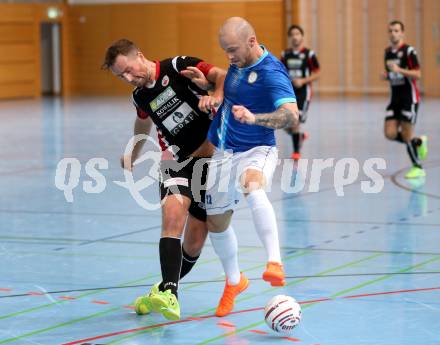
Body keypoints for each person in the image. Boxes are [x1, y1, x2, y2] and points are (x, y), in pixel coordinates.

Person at [102, 38, 225, 320]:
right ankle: (170, 293)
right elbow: (143, 121)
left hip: (211, 158)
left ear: (141, 55)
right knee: (172, 216)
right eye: (122, 76)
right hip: (175, 160)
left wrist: (215, 96)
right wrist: (133, 151)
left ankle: (162, 288)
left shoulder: (179, 66)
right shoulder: (139, 96)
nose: (129, 78)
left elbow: (222, 76)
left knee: (195, 239)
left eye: (130, 70)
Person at [203, 17, 299, 317]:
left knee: (252, 185)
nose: (228, 56)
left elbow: (291, 116)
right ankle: (234, 281)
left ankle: (274, 262)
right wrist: (213, 93)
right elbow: (227, 85)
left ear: (251, 41)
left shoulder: (271, 73)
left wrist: (255, 119)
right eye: (225, 50)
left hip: (258, 149)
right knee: (215, 221)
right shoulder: (237, 63)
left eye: (232, 49)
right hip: (225, 152)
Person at [381, 20, 427, 179]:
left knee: (407, 134)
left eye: (396, 30)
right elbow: (393, 74)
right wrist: (387, 76)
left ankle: (418, 167)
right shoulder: (387, 52)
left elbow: (418, 74)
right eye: (391, 31)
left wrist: (400, 69)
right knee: (390, 133)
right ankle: (418, 142)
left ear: (402, 33)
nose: (393, 33)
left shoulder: (409, 51)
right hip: (395, 99)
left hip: (409, 98)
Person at [280, 24, 320, 160]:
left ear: (302, 36)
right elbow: (280, 72)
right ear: (289, 38)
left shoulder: (309, 54)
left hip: (304, 92)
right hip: (288, 92)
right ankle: (300, 137)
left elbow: (317, 73)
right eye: (292, 35)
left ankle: (296, 151)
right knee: (285, 123)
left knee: (295, 120)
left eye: (297, 34)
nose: (295, 37)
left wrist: (303, 81)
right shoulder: (285, 54)